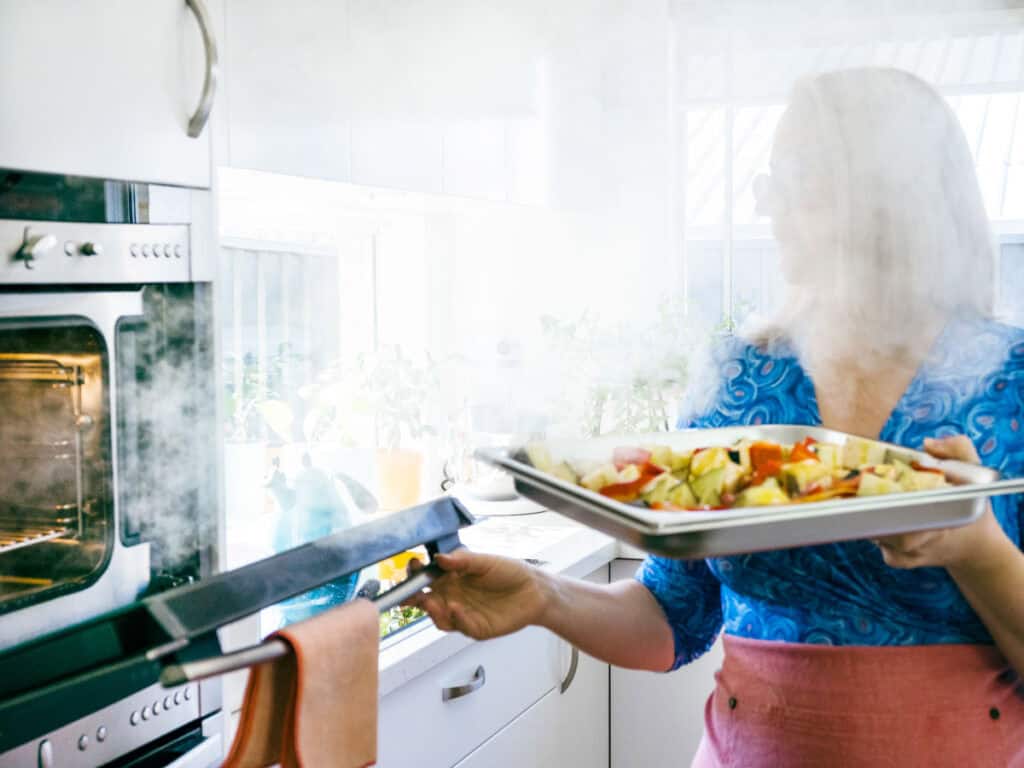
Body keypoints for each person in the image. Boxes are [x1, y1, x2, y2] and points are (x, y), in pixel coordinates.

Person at [407, 68, 1024, 766]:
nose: (770, 207)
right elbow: (675, 618)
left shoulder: (1013, 380)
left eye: (795, 180)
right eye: (770, 182)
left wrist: (978, 549)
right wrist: (544, 596)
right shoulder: (743, 375)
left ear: (888, 200)